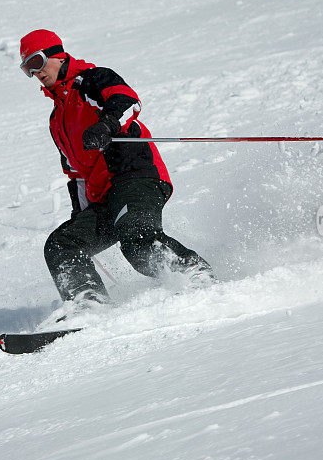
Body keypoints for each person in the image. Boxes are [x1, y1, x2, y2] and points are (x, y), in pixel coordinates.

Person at [19, 29, 213, 314]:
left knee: (136, 239)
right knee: (62, 244)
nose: (34, 73)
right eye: (26, 69)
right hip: (104, 199)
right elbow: (77, 175)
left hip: (135, 176)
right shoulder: (57, 119)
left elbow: (128, 101)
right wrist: (81, 218)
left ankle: (195, 274)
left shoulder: (92, 80)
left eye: (36, 62)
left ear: (57, 55)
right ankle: (89, 304)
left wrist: (107, 124)